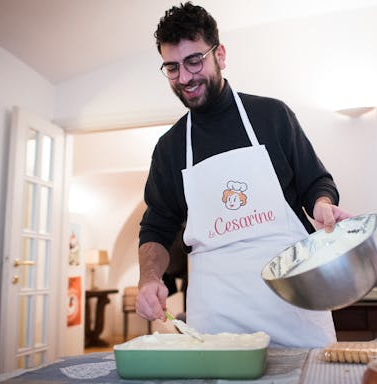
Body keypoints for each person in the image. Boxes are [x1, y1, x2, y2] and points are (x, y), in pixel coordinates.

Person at [136, 2, 352, 348]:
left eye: (194, 61)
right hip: (218, 317)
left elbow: (316, 183)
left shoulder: (272, 116)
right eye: (172, 68)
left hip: (294, 306)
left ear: (219, 54)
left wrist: (322, 205)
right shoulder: (170, 147)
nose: (186, 78)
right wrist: (148, 279)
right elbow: (156, 227)